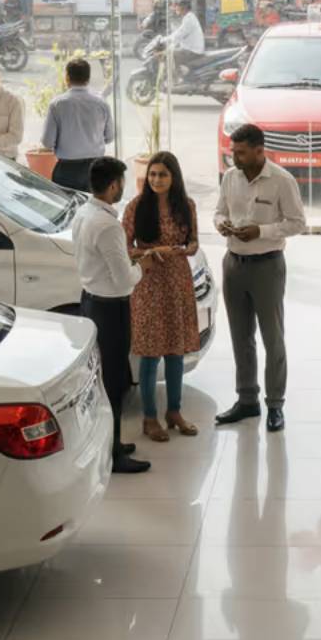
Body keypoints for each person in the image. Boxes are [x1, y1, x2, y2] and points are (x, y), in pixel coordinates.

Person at [214, 123, 307, 433]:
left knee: (272, 338)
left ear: (259, 150)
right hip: (233, 265)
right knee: (241, 338)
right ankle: (247, 400)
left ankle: (275, 405)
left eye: (240, 152)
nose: (234, 157)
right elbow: (218, 211)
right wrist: (223, 224)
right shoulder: (230, 177)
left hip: (267, 266)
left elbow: (297, 223)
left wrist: (261, 232)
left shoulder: (281, 180)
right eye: (233, 151)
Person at [72, 156, 154, 475]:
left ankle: (112, 443)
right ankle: (113, 452)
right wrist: (142, 266)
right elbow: (124, 279)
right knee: (116, 382)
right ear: (113, 185)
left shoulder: (85, 211)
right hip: (111, 308)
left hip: (92, 301)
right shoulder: (107, 225)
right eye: (121, 182)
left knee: (105, 379)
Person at [122, 151, 200, 442]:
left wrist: (176, 251)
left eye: (162, 175)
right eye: (152, 174)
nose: (156, 180)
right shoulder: (135, 207)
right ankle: (150, 417)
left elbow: (193, 244)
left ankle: (175, 412)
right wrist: (147, 252)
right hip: (149, 282)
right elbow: (124, 247)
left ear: (174, 177)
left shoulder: (186, 206)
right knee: (151, 353)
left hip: (177, 281)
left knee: (176, 350)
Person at [41, 57, 114, 190]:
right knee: (94, 208)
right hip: (95, 169)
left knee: (68, 209)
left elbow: (47, 142)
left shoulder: (57, 104)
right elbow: (109, 137)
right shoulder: (101, 103)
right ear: (88, 78)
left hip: (66, 170)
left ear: (67, 78)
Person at [169, 0, 205, 81]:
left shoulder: (189, 19)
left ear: (184, 7)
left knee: (170, 55)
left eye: (177, 6)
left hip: (193, 50)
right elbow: (179, 32)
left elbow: (179, 34)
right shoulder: (188, 17)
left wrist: (165, 40)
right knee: (174, 52)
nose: (175, 8)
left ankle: (179, 78)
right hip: (191, 48)